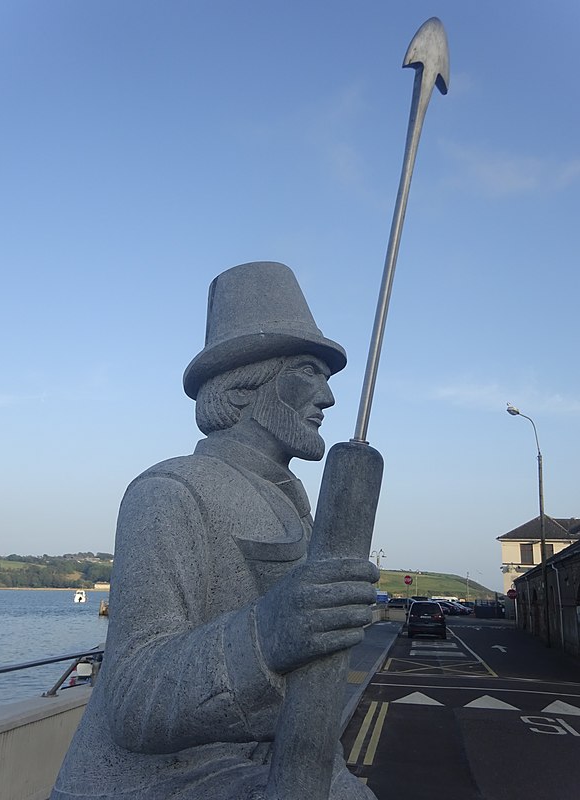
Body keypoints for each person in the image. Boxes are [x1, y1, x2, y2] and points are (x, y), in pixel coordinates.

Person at [52, 261, 378, 800]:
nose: (328, 397)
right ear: (245, 386)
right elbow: (133, 703)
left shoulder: (293, 504)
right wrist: (271, 630)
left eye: (327, 377)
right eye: (307, 371)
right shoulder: (169, 490)